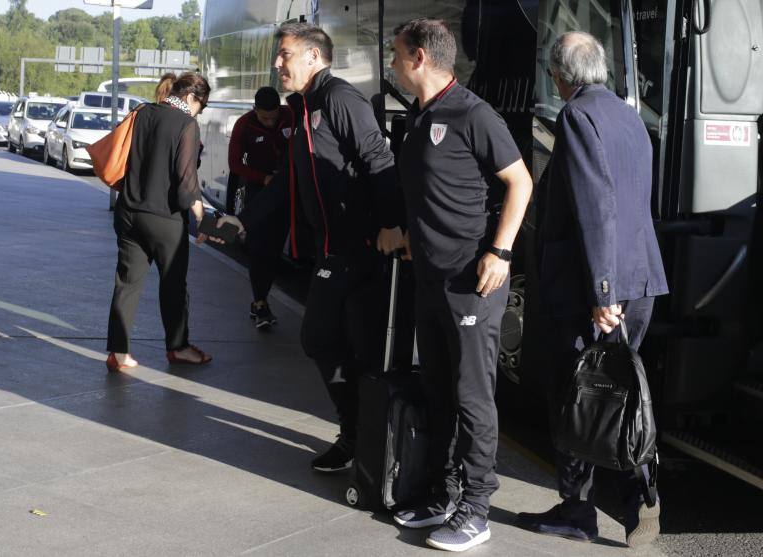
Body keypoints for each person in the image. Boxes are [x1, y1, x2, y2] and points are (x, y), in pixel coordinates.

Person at [217, 23, 404, 472]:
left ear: (314, 57)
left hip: (357, 248)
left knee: (327, 338)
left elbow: (379, 160)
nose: (277, 64)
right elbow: (287, 182)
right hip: (330, 248)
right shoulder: (302, 109)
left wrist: (394, 226)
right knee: (331, 342)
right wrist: (241, 219)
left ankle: (364, 437)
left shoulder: (339, 99)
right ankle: (356, 434)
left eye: (285, 55)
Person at [515, 31, 668, 548]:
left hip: (593, 287)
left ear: (559, 75)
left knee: (578, 398)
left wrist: (603, 290)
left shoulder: (576, 117)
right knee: (623, 392)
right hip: (640, 276)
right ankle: (641, 502)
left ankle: (579, 509)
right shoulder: (632, 116)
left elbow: (596, 206)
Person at [388, 18, 533, 552]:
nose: (392, 62)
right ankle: (442, 493)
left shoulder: (473, 113)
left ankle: (477, 508)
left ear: (420, 57)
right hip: (429, 278)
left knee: (473, 398)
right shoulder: (421, 115)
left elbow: (520, 181)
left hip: (471, 281)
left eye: (397, 53)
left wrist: (500, 252)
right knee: (439, 390)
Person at [105, 72, 214, 373]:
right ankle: (179, 348)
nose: (198, 114)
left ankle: (118, 353)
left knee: (127, 283)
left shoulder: (142, 112)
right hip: (163, 219)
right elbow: (185, 180)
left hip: (128, 212)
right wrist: (200, 215)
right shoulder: (186, 124)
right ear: (192, 98)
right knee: (174, 286)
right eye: (200, 107)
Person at [227, 86, 292, 329]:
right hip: (259, 188)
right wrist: (262, 178)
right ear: (254, 111)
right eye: (264, 117)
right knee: (258, 249)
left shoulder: (290, 117)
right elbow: (235, 164)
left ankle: (262, 299)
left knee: (275, 250)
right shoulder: (244, 125)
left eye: (273, 116)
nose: (269, 121)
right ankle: (259, 302)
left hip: (285, 190)